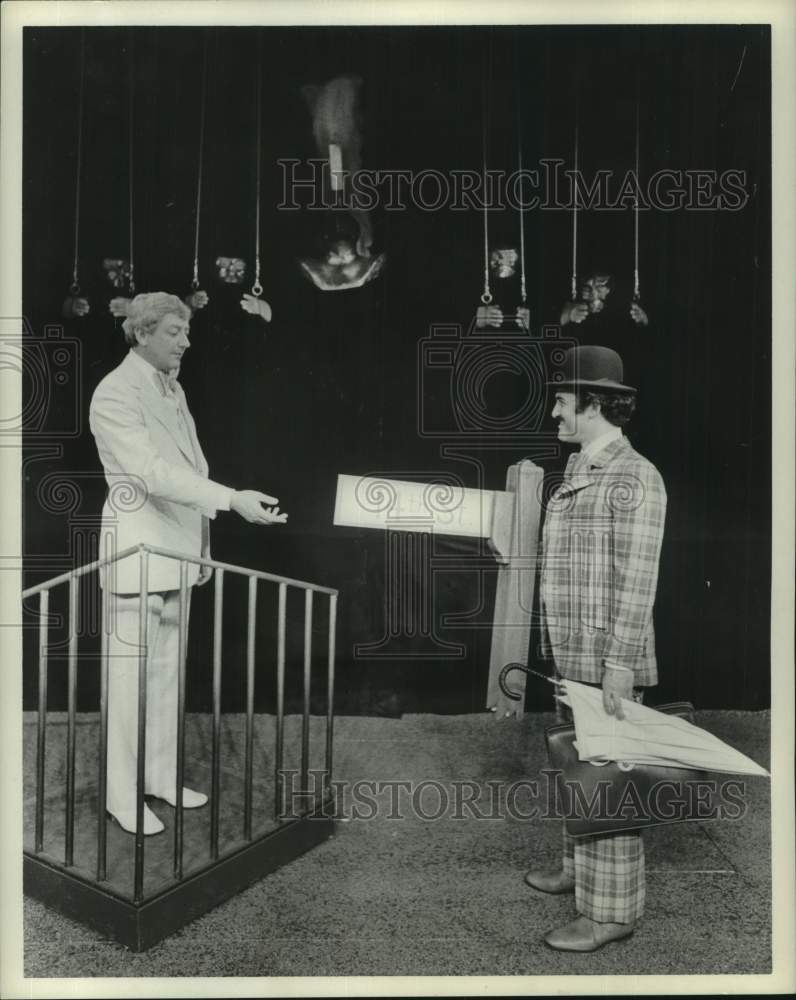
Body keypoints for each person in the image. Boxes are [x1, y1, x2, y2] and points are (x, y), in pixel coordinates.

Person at [89, 292, 287, 836]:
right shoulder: (115, 392)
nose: (186, 341)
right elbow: (150, 473)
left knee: (166, 677)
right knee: (129, 681)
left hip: (176, 551)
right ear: (143, 333)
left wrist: (202, 548)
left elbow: (190, 468)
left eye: (186, 331)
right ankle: (121, 796)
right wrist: (232, 499)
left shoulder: (171, 388)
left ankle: (158, 777)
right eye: (175, 331)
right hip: (136, 552)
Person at [526, 344, 667, 952]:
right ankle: (577, 869)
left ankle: (611, 912)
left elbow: (638, 581)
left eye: (562, 399)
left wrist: (619, 667)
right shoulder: (581, 468)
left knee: (607, 780)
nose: (554, 409)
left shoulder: (635, 477)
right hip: (571, 652)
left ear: (592, 403)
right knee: (577, 764)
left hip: (607, 659)